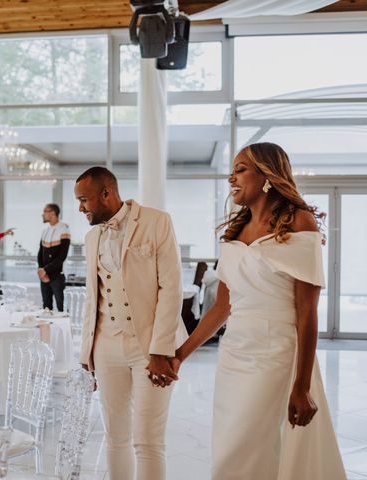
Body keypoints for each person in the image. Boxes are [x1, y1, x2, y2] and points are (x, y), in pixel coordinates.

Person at [169, 143, 346, 480]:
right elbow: (222, 307)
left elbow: (307, 313)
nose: (230, 177)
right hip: (234, 355)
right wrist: (180, 355)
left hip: (275, 356)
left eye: (239, 169)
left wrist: (303, 385)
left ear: (266, 175)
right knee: (229, 448)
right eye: (232, 170)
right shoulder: (234, 230)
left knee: (253, 448)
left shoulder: (299, 222)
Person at [74, 166, 187, 480]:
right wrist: (88, 353)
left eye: (84, 200)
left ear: (107, 193)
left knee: (148, 440)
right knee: (116, 437)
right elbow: (92, 297)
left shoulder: (156, 221)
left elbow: (171, 288)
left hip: (150, 346)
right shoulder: (91, 236)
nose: (80, 208)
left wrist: (161, 351)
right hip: (106, 346)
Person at [37, 203, 70, 311]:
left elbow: (62, 257)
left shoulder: (64, 229)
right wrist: (41, 270)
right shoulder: (44, 231)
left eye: (45, 212)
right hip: (44, 276)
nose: (43, 215)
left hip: (57, 276)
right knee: (46, 308)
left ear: (53, 213)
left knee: (61, 308)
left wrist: (45, 270)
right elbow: (40, 253)